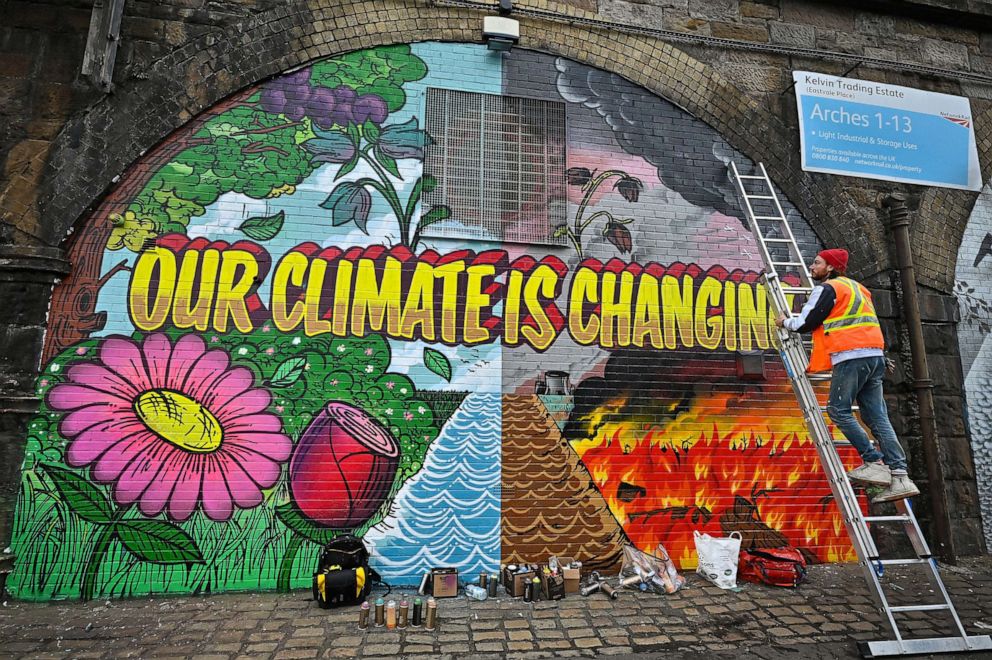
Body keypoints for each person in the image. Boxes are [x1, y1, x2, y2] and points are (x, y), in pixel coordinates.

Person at [774, 248, 919, 503]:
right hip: (873, 356)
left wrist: (784, 321)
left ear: (830, 268)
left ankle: (873, 460)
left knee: (838, 410)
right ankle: (900, 475)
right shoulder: (859, 289)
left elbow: (806, 323)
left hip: (851, 356)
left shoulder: (828, 289)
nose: (811, 266)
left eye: (817, 262)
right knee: (876, 416)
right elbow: (866, 322)